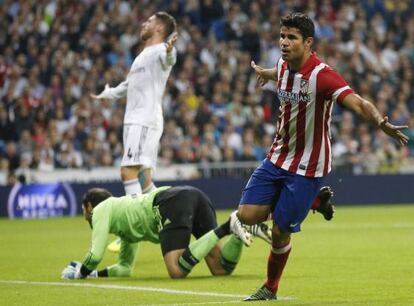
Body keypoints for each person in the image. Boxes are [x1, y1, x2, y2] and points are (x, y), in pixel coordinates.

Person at [238, 13, 409, 301]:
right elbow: (278, 71)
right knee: (246, 215)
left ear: (308, 43)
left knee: (280, 231)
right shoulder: (282, 65)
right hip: (278, 155)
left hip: (307, 166)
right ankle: (315, 201)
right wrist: (265, 73)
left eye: (291, 38)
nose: (284, 42)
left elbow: (358, 102)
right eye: (282, 36)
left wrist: (381, 123)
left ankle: (270, 287)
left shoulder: (322, 75)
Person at [91, 11, 178, 252]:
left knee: (127, 171)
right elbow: (127, 86)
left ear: (159, 28)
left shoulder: (161, 51)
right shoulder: (141, 57)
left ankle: (132, 227)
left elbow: (169, 58)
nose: (144, 23)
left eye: (149, 21)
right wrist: (106, 94)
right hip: (142, 120)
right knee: (144, 179)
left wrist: (170, 51)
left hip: (143, 120)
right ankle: (168, 221)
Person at [61, 185, 271, 280]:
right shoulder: (124, 224)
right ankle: (238, 228)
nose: (85, 216)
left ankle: (227, 226)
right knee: (220, 269)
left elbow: (96, 254)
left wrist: (81, 272)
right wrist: (96, 274)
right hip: (193, 195)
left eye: (84, 210)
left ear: (89, 206)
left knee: (176, 270)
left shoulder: (101, 209)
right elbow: (125, 269)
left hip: (169, 203)